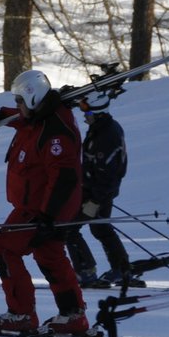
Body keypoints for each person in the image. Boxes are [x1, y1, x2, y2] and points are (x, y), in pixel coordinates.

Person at [0, 69, 88, 335]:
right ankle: (73, 316)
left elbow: (64, 178)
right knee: (49, 254)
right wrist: (1, 117)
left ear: (34, 99)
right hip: (39, 207)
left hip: (42, 209)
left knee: (4, 249)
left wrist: (48, 217)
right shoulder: (40, 116)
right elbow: (25, 120)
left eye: (19, 100)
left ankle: (21, 314)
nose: (17, 106)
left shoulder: (55, 132)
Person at [64, 88, 136, 289]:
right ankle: (121, 269)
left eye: (87, 114)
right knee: (101, 227)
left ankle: (86, 272)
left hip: (99, 192)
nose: (85, 118)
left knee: (68, 228)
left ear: (99, 113)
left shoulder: (107, 134)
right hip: (93, 190)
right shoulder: (100, 128)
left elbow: (109, 174)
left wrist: (95, 201)